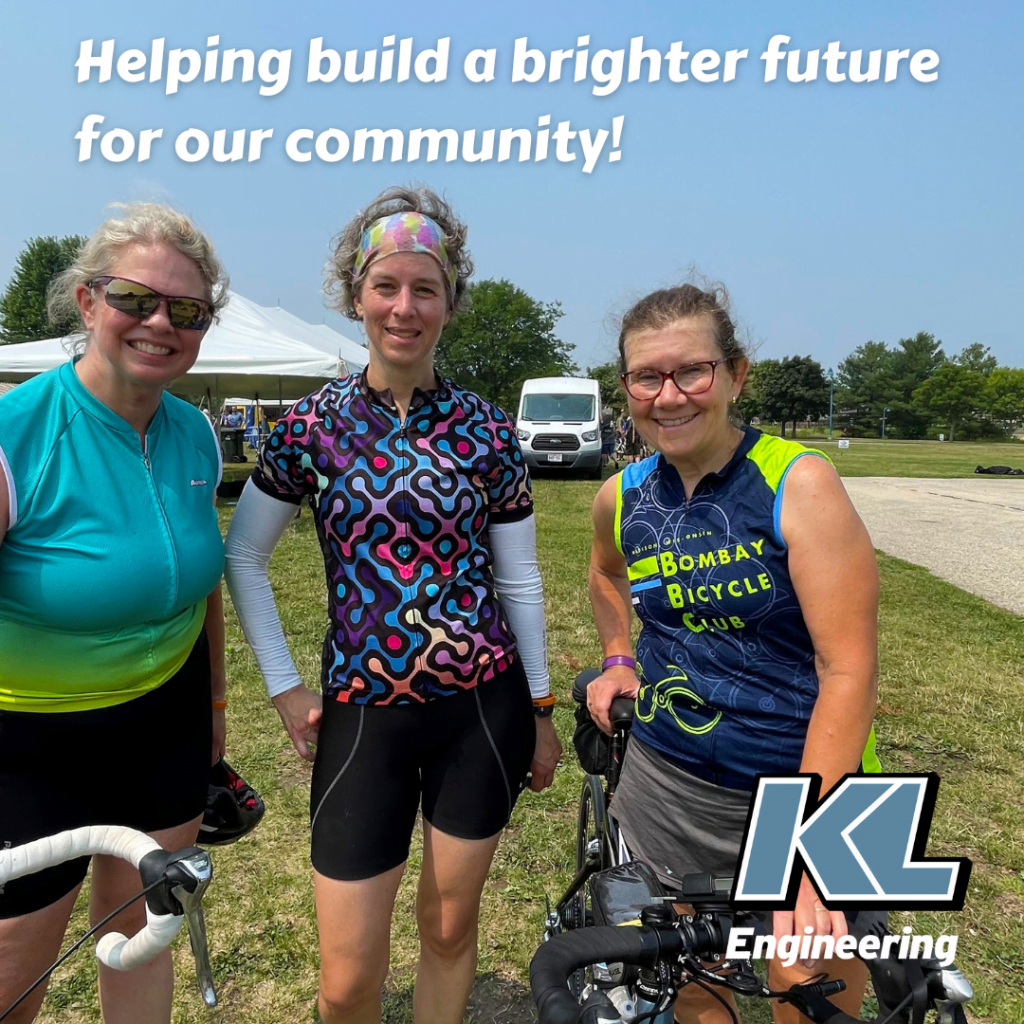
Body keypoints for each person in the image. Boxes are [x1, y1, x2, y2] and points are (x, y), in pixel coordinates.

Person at [223, 186, 561, 1024]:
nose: (404, 307)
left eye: (425, 289)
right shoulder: (308, 427)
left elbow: (517, 581)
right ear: (354, 295)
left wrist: (542, 708)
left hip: (480, 711)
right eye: (386, 287)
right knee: (345, 979)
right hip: (362, 717)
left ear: (450, 302)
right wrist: (283, 685)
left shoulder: (487, 431)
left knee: (449, 935)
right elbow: (244, 555)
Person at [585, 282, 880, 1023]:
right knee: (696, 984)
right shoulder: (623, 496)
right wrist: (619, 656)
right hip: (668, 781)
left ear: (736, 374)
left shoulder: (798, 483)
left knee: (808, 997)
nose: (669, 395)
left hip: (806, 786)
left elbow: (847, 671)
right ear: (627, 389)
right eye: (647, 377)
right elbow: (604, 574)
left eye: (693, 371)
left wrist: (813, 851)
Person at [0, 204, 229, 1024]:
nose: (160, 322)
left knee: (144, 932)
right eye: (136, 298)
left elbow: (203, 585)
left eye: (187, 311)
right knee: (15, 966)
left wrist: (214, 705)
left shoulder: (195, 433)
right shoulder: (14, 433)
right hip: (30, 741)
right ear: (88, 302)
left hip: (162, 722)